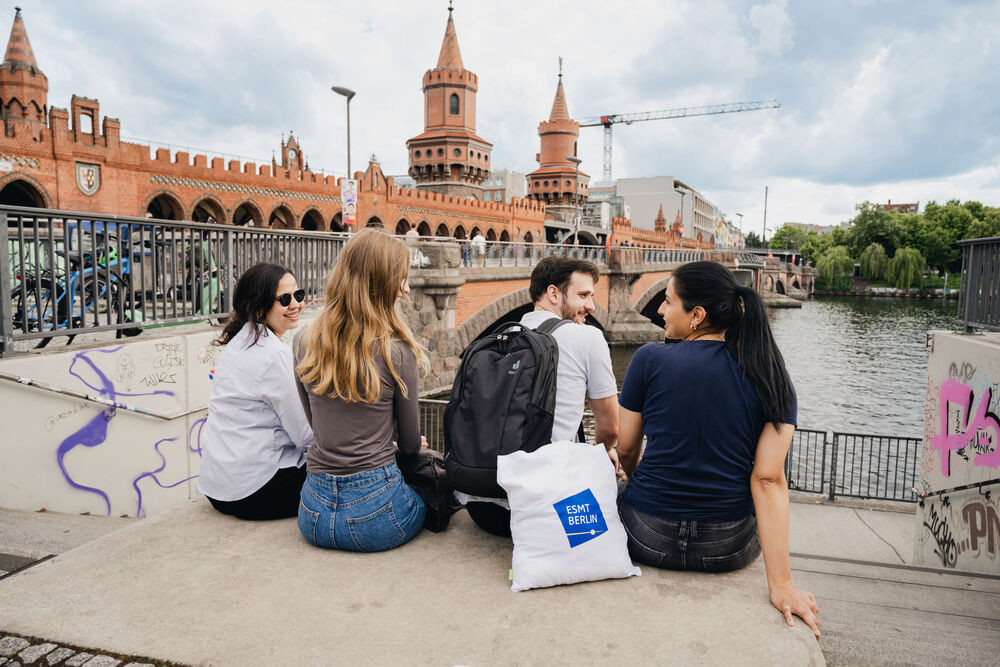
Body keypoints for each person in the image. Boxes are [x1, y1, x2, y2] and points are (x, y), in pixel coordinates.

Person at [616, 261, 820, 638]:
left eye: (668, 302)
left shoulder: (649, 359)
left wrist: (636, 475)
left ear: (696, 315)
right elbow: (769, 479)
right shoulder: (771, 373)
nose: (660, 310)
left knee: (612, 487)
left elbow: (626, 450)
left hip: (645, 536)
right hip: (728, 547)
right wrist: (782, 585)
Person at [463, 255, 620, 536]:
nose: (591, 306)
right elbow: (610, 427)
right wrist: (605, 450)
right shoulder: (588, 338)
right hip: (543, 512)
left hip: (482, 509)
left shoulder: (504, 336)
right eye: (583, 295)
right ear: (553, 293)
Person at [293, 228, 429, 552]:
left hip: (312, 514)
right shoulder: (397, 352)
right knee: (431, 499)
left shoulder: (302, 341)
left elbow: (317, 426)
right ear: (381, 282)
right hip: (376, 516)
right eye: (401, 279)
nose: (406, 289)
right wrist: (394, 444)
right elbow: (410, 446)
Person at [198, 262, 314, 520]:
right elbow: (307, 437)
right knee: (356, 475)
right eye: (285, 299)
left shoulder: (237, 344)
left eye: (299, 295)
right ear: (259, 308)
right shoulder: (275, 355)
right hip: (256, 492)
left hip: (218, 489)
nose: (295, 304)